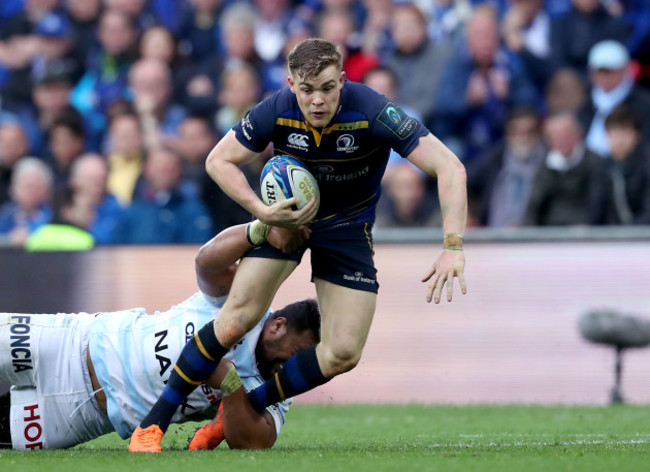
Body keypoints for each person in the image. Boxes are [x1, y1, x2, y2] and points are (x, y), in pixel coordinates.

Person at [129, 37, 467, 452]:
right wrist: (263, 212)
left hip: (346, 230)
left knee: (343, 352)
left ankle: (243, 408)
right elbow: (218, 160)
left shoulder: (374, 110)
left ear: (343, 80)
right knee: (236, 318)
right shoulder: (276, 109)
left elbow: (449, 166)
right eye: (307, 90)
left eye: (327, 87)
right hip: (287, 221)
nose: (318, 100)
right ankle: (152, 426)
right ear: (292, 85)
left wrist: (453, 244)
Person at [0, 221, 320, 450]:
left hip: (81, 417)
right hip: (70, 343)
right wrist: (260, 229)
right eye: (297, 353)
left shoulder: (279, 387)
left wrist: (230, 384)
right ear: (277, 326)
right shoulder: (241, 302)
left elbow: (253, 441)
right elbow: (207, 262)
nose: (292, 367)